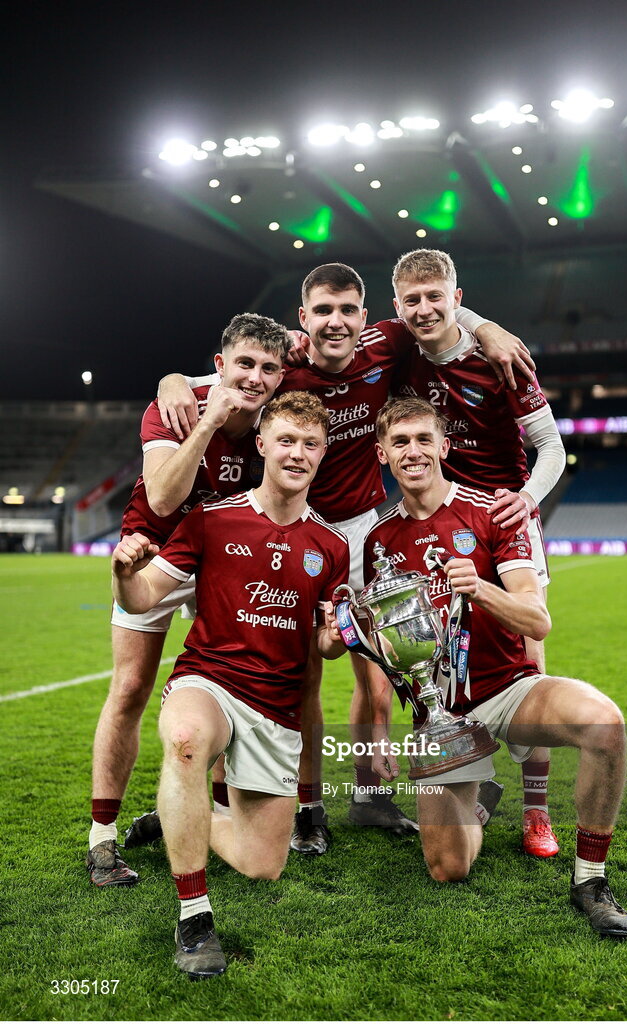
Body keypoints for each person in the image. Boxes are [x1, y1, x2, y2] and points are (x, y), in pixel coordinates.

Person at [157, 264, 535, 856]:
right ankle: (273, 800)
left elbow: (436, 316)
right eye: (324, 311)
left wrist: (484, 326)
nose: (337, 322)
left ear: (365, 316)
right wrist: (172, 379)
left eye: (348, 310)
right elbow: (226, 371)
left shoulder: (386, 342)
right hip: (292, 524)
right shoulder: (284, 362)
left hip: (361, 528)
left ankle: (368, 796)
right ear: (302, 321)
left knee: (382, 671)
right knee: (290, 668)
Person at [361, 397, 627, 939]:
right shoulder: (378, 541)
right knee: (448, 868)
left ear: (443, 446)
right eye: (399, 442)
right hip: (439, 717)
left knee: (605, 723)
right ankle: (479, 804)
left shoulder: (492, 511)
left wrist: (480, 588)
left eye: (423, 439)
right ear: (381, 454)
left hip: (509, 692)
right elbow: (387, 649)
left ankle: (591, 880)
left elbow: (537, 620)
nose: (412, 451)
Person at [111, 392, 350, 979]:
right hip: (208, 681)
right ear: (262, 444)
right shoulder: (210, 520)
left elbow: (325, 646)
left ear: (323, 454)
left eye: (310, 444)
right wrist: (122, 574)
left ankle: (176, 815)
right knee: (188, 739)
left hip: (276, 707)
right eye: (286, 441)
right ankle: (194, 920)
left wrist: (340, 637)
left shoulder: (333, 547)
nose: (297, 454)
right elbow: (142, 598)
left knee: (260, 864)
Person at [86, 313, 290, 887]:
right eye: (244, 364)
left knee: (232, 686)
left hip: (225, 560)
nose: (254, 378)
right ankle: (101, 837)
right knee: (128, 688)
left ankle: (210, 811)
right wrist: (206, 421)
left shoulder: (277, 418)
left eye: (268, 368)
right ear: (220, 364)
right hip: (151, 547)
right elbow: (161, 493)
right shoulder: (176, 405)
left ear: (281, 375)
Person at [389, 249, 566, 855]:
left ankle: (537, 812)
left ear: (457, 297)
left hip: (500, 517)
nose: (424, 308)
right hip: (436, 521)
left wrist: (525, 500)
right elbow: (328, 339)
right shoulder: (399, 351)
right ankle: (465, 777)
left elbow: (552, 449)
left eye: (435, 296)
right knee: (435, 662)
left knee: (530, 662)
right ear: (398, 307)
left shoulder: (501, 359)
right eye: (412, 299)